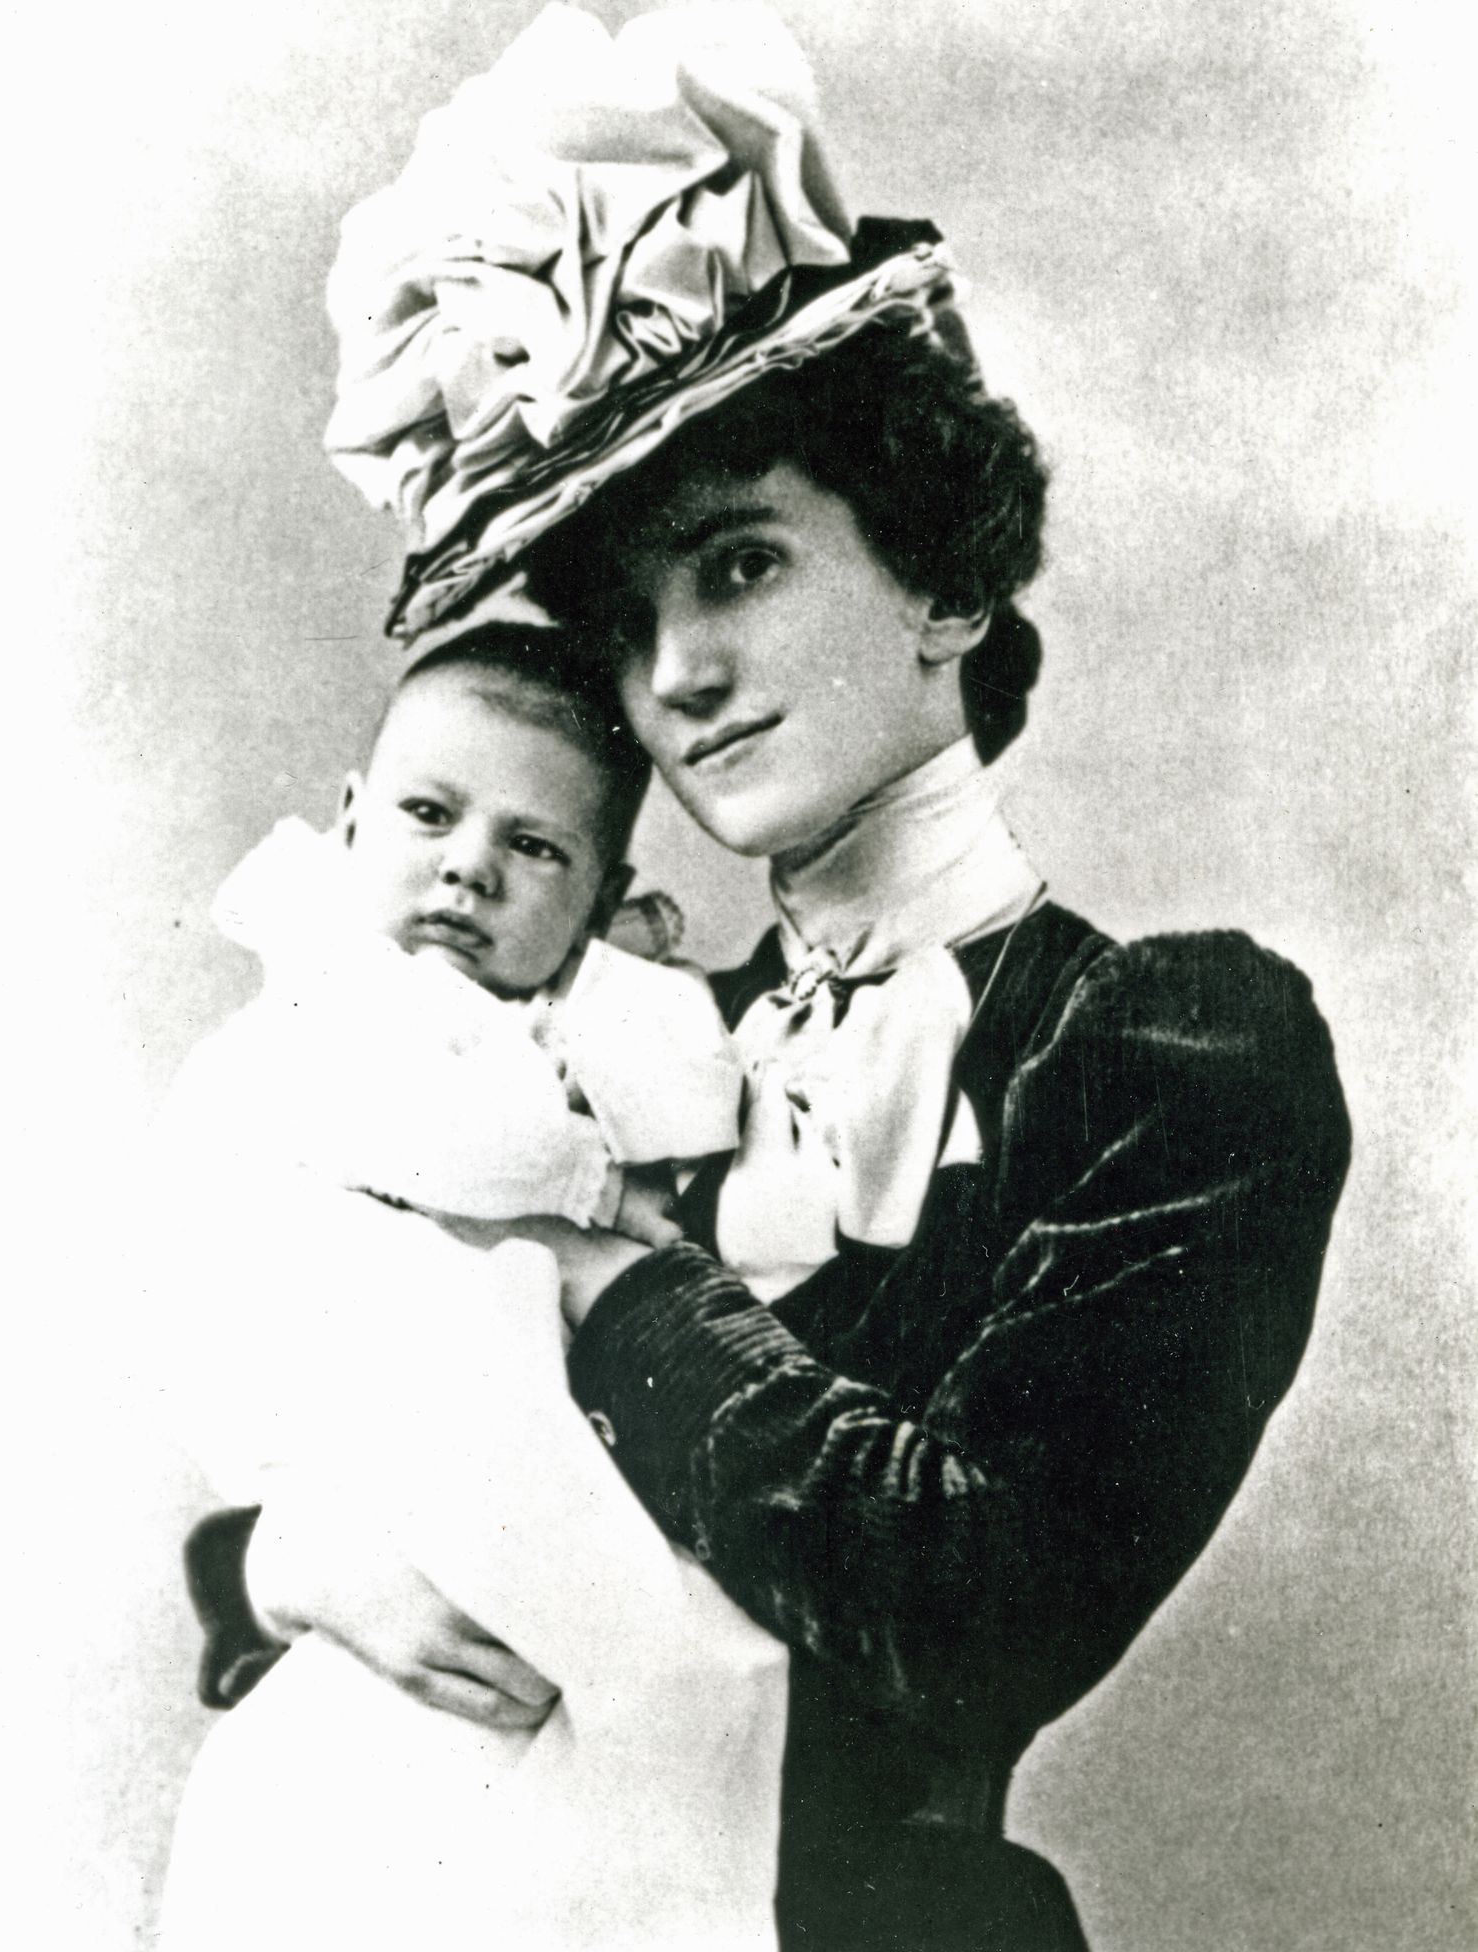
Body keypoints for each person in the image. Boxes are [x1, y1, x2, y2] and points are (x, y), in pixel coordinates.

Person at [178, 8, 1352, 1948]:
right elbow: (367, 1397)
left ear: (947, 576)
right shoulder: (624, 1049)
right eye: (634, 621)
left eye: (736, 567)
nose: (677, 679)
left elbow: (979, 1611)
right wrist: (288, 1563)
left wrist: (616, 1272)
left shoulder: (1166, 1051)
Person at [153, 627, 788, 1951]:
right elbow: (465, 1147)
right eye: (430, 816)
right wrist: (595, 1182)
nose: (469, 868)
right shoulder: (333, 1004)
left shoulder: (572, 1021)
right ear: (349, 822)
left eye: (534, 850)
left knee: (597, 1751)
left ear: (597, 892)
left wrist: (626, 992)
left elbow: (704, 1112)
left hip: (529, 1470)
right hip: (370, 1436)